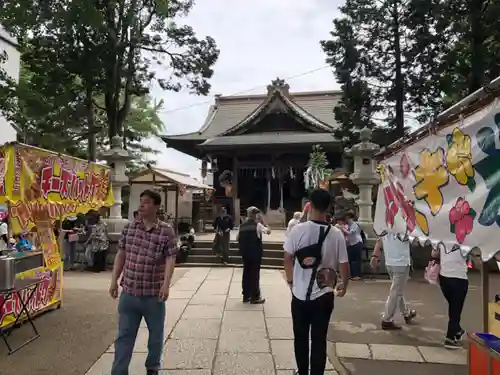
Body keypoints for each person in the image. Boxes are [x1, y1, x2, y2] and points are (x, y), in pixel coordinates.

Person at [109, 189, 178, 375]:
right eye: (140, 201)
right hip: (129, 292)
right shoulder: (130, 228)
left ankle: (152, 367)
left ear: (157, 206)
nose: (141, 205)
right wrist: (114, 280)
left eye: (147, 202)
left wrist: (166, 284)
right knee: (124, 336)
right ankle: (119, 371)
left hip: (153, 295)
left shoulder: (165, 231)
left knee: (155, 336)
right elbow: (121, 254)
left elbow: (171, 258)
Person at [284, 189, 350, 375]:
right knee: (319, 339)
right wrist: (344, 284)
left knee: (300, 337)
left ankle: (302, 371)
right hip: (324, 295)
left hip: (299, 294)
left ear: (309, 205)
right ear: (328, 207)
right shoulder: (336, 234)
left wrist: (291, 282)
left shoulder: (298, 230)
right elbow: (344, 265)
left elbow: (287, 258)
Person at [370, 233, 417, 330]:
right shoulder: (404, 225)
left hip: (389, 262)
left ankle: (406, 313)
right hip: (401, 263)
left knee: (397, 290)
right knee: (395, 292)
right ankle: (387, 320)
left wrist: (375, 255)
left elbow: (379, 240)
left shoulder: (386, 224)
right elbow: (415, 242)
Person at [431, 245, 468, 349]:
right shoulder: (466, 239)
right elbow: (475, 253)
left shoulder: (444, 236)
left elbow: (433, 253)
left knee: (453, 307)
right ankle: (450, 338)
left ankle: (457, 330)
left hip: (444, 278)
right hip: (459, 278)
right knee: (455, 311)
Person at [237, 206, 271, 304]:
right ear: (254, 215)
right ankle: (255, 297)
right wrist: (265, 223)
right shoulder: (258, 225)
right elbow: (268, 231)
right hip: (255, 253)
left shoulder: (242, 226)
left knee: (246, 273)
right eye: (256, 214)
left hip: (245, 253)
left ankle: (246, 296)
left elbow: (237, 238)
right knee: (254, 274)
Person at [337, 212, 364, 280]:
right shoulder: (347, 225)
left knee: (356, 260)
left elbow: (350, 233)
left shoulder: (354, 225)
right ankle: (351, 275)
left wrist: (342, 229)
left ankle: (357, 275)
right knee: (350, 260)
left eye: (346, 218)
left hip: (356, 243)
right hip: (350, 244)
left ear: (349, 218)